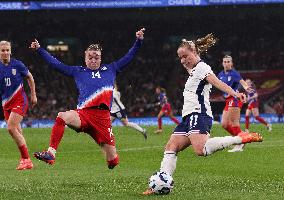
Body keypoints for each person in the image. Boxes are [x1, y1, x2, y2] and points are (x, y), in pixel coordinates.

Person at [143, 34, 263, 195]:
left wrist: (235, 94)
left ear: (193, 52)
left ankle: (240, 138)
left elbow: (217, 82)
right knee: (171, 147)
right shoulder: (194, 69)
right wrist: (191, 47)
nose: (183, 60)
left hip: (198, 114)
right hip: (188, 117)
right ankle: (160, 184)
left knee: (201, 150)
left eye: (185, 56)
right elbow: (189, 63)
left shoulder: (202, 67)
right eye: (180, 58)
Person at [30, 28, 145, 169]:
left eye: (96, 57)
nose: (93, 60)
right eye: (90, 57)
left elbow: (129, 56)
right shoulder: (77, 71)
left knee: (113, 162)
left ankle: (102, 143)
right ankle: (51, 154)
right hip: (83, 114)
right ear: (85, 57)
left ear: (101, 58)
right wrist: (40, 50)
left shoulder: (111, 69)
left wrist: (138, 41)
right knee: (62, 116)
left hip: (103, 118)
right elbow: (56, 64)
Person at [0, 40, 37, 170]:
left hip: (19, 100)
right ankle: (27, 160)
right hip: (6, 104)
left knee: (10, 128)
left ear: (10, 51)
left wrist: (33, 95)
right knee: (17, 131)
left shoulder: (17, 64)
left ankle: (26, 159)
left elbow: (30, 77)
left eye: (7, 50)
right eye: (2, 50)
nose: (5, 52)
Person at [217, 55, 252, 152]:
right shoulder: (220, 74)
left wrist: (246, 87)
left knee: (234, 123)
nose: (227, 63)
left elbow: (242, 82)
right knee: (224, 124)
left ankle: (240, 142)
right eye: (225, 62)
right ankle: (241, 138)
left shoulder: (234, 73)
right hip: (228, 100)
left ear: (232, 63)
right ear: (222, 63)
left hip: (235, 98)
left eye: (228, 62)